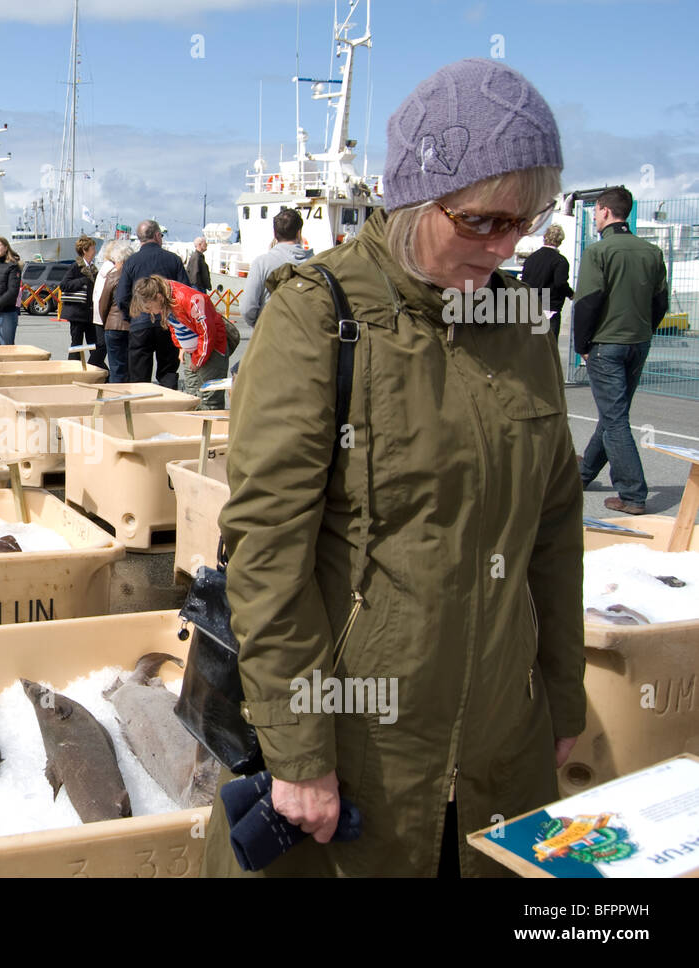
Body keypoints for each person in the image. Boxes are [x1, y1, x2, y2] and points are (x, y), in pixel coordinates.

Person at [203, 58, 585, 878]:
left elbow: (552, 532)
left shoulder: (520, 325)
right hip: (359, 749)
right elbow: (268, 552)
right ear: (415, 195)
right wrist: (301, 751)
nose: (506, 246)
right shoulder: (319, 315)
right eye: (481, 220)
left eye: (526, 221)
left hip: (498, 750)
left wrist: (563, 693)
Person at [573, 186, 669, 515]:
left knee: (615, 421)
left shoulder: (599, 252)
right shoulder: (651, 252)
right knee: (614, 414)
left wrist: (582, 344)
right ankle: (583, 474)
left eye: (596, 212)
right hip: (638, 342)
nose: (595, 218)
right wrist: (644, 330)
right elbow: (661, 303)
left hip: (606, 344)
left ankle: (632, 493)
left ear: (604, 211)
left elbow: (588, 302)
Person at [131, 275, 234, 409]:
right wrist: (181, 347)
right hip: (192, 350)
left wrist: (198, 360)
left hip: (210, 350)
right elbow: (175, 326)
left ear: (158, 297)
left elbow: (207, 332)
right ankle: (195, 426)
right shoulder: (166, 300)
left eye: (150, 309)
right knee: (192, 396)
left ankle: (210, 427)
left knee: (209, 398)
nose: (152, 313)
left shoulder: (189, 299)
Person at [116, 220, 189, 387]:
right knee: (168, 372)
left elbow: (121, 296)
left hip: (140, 323)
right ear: (157, 236)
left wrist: (131, 316)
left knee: (139, 376)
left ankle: (140, 410)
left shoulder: (132, 262)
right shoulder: (173, 260)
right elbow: (184, 292)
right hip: (168, 322)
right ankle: (167, 408)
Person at [239, 209, 314, 327]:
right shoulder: (317, 264)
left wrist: (260, 326)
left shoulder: (262, 263)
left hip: (270, 336)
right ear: (299, 232)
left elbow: (247, 308)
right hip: (306, 338)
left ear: (275, 233)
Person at [519, 224, 573, 341]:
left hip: (530, 308)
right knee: (549, 349)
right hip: (549, 308)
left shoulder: (531, 258)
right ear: (560, 241)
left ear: (545, 238)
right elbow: (560, 283)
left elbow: (524, 282)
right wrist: (571, 294)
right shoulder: (560, 261)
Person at [60, 236, 104, 368]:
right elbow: (64, 285)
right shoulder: (75, 267)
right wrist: (82, 281)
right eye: (92, 248)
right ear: (85, 250)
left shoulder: (93, 268)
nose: (95, 251)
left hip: (89, 314)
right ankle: (73, 368)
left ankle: (97, 367)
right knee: (77, 343)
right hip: (77, 313)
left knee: (95, 344)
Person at [95, 241, 133, 382]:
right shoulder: (137, 277)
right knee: (130, 366)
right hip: (132, 325)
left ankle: (116, 397)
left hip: (113, 324)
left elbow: (103, 303)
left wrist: (106, 321)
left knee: (116, 367)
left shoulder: (113, 276)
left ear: (119, 260)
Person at [0, 236, 22, 346]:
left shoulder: (12, 266)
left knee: (6, 348)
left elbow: (12, 292)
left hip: (6, 313)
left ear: (6, 247)